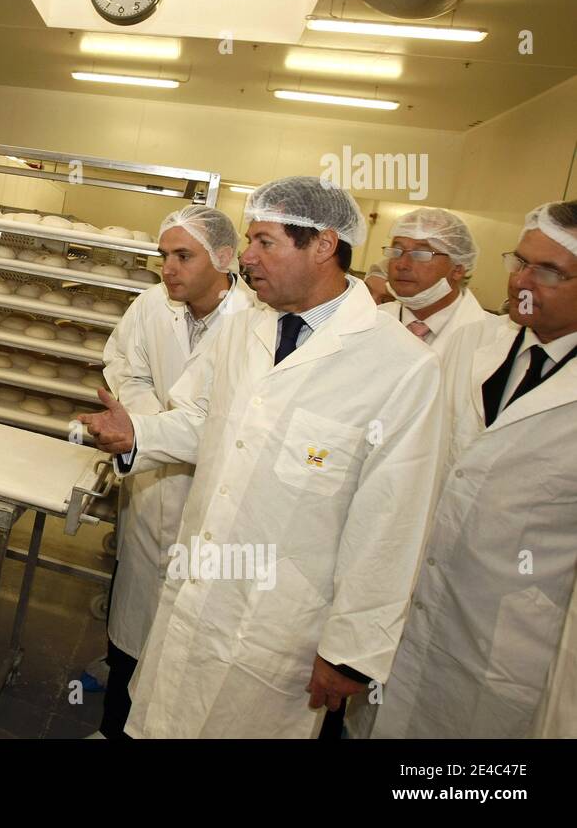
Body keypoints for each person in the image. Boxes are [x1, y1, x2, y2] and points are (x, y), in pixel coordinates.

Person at [76, 176, 443, 738]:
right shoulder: (246, 327)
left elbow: (392, 523)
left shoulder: (400, 367)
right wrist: (139, 434)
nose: (245, 257)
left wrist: (350, 653)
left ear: (323, 245)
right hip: (200, 589)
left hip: (281, 628)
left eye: (264, 242)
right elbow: (205, 419)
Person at [367, 201, 577, 738]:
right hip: (414, 610)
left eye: (548, 271)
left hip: (513, 648)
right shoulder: (474, 344)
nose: (522, 280)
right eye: (519, 261)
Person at [96, 205, 256, 738]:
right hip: (150, 490)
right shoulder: (149, 307)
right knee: (132, 628)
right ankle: (115, 728)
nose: (169, 268)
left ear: (225, 258)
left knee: (189, 643)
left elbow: (228, 420)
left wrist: (156, 432)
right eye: (164, 255)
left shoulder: (255, 322)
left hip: (208, 499)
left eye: (183, 256)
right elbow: (123, 366)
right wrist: (154, 423)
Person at [379, 207, 488, 354]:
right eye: (396, 251)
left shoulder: (493, 339)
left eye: (421, 254)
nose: (402, 264)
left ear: (457, 270)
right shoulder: (371, 320)